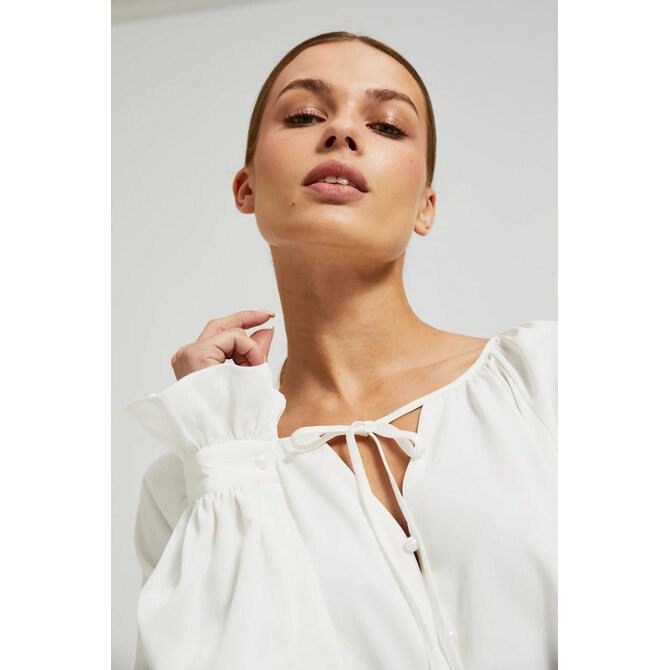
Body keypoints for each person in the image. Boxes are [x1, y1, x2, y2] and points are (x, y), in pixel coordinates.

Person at [127, 31, 557, 670]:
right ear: (247, 188)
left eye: (387, 126)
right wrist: (224, 451)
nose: (342, 133)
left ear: (425, 207)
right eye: (304, 116)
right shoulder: (191, 482)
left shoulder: (549, 376)